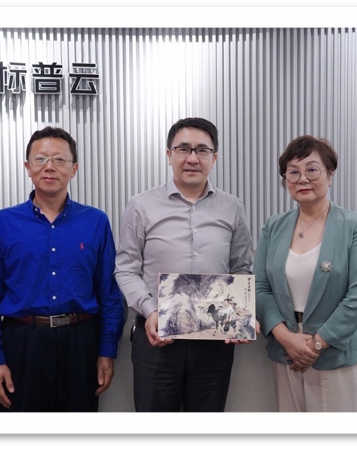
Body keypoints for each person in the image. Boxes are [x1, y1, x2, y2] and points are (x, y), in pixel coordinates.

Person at [0, 126, 126, 412]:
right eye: (41, 159)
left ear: (74, 168)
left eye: (59, 159)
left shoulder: (96, 222)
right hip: (22, 344)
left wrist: (107, 350)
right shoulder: (3, 223)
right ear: (28, 167)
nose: (50, 166)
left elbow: (108, 294)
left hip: (80, 343)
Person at [114, 117, 255, 412]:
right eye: (183, 149)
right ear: (169, 155)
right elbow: (126, 269)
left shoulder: (232, 207)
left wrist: (242, 314)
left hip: (214, 340)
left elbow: (241, 269)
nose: (192, 158)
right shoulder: (141, 206)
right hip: (157, 338)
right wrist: (150, 311)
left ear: (214, 158)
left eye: (202, 150)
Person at [254, 134, 357, 412]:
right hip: (285, 352)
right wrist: (285, 338)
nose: (302, 179)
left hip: (335, 355)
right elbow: (261, 287)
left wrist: (316, 346)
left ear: (330, 174)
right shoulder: (273, 226)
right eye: (293, 172)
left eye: (312, 169)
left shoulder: (355, 226)